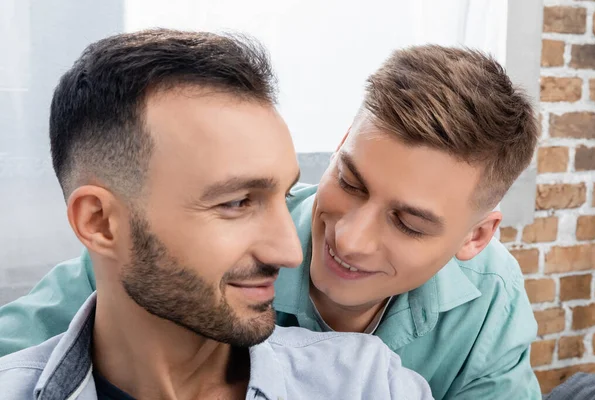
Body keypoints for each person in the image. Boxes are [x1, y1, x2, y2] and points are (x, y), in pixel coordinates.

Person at [0, 36, 541, 400]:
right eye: (349, 182)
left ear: (475, 236)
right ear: (338, 149)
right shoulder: (142, 252)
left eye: (410, 223)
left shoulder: (481, 304)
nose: (347, 240)